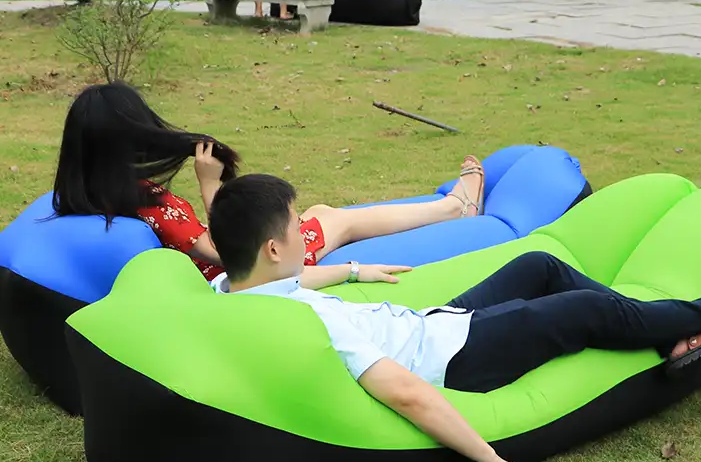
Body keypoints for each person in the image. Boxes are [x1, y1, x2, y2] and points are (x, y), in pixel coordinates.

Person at [207, 173, 701, 462]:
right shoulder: (315, 326)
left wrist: (355, 270)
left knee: (539, 265)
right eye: (296, 226)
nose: (305, 236)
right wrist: (491, 460)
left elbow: (291, 281)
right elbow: (405, 393)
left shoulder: (227, 287)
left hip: (434, 323)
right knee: (585, 310)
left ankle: (653, 323)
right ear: (274, 248)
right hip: (458, 357)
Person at [52, 83, 485, 286]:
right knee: (337, 221)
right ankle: (453, 209)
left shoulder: (89, 191)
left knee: (320, 213)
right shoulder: (153, 205)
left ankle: (448, 208)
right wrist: (210, 185)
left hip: (226, 265)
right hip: (246, 269)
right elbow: (227, 250)